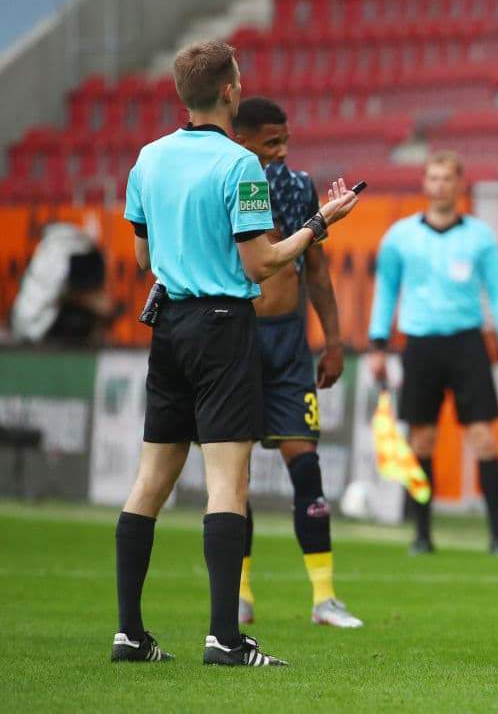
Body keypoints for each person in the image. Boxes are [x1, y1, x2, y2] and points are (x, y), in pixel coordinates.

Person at [110, 41, 358, 667]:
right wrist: (319, 224)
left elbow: (142, 257)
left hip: (169, 326)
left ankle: (130, 635)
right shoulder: (240, 164)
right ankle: (225, 637)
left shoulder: (148, 158)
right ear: (229, 91)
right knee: (228, 481)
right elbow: (261, 262)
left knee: (149, 482)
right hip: (223, 327)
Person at [231, 96, 362, 629]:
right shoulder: (225, 185)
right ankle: (238, 596)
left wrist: (333, 340)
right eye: (272, 142)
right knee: (232, 474)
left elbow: (317, 269)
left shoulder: (299, 186)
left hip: (288, 344)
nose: (282, 151)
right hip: (235, 342)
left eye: (286, 140)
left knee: (306, 466)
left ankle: (324, 598)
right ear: (241, 141)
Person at [367, 151, 498, 555]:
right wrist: (378, 343)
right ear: (424, 183)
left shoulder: (480, 237)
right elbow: (385, 292)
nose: (439, 185)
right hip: (420, 345)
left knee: (484, 438)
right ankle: (422, 534)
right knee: (422, 440)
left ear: (459, 185)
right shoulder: (400, 236)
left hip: (467, 344)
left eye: (447, 178)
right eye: (433, 178)